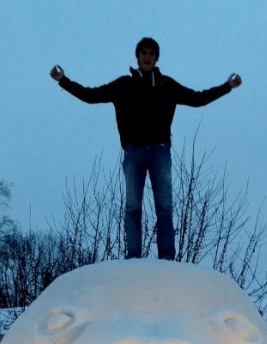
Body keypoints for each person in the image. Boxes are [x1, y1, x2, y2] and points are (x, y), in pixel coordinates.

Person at [50, 37, 242, 260]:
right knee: (132, 207)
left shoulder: (167, 85)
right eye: (144, 52)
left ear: (156, 57)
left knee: (164, 206)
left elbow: (198, 99)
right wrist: (63, 80)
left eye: (151, 53)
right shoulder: (124, 85)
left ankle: (167, 258)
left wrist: (227, 86)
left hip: (160, 151)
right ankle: (133, 257)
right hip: (133, 151)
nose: (147, 56)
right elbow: (91, 96)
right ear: (138, 56)